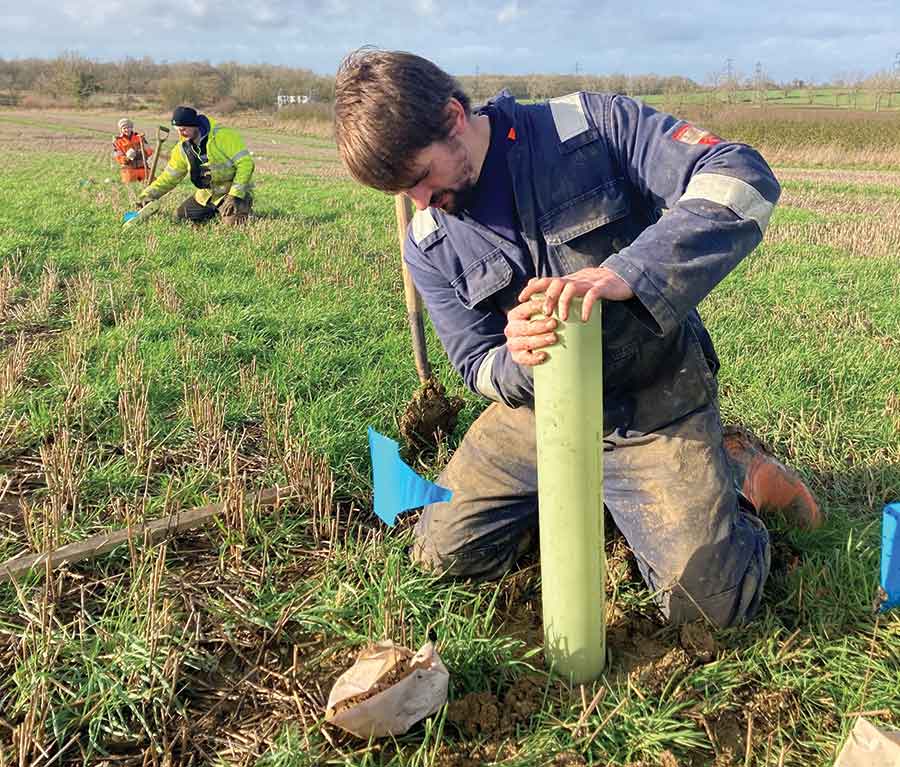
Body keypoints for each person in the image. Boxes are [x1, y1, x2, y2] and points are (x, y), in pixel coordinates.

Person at [334, 49, 824, 629]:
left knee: (707, 610)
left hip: (653, 406)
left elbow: (740, 176)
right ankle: (594, 499)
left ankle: (735, 472)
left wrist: (631, 272)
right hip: (537, 416)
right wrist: (515, 357)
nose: (419, 202)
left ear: (452, 117)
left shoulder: (591, 127)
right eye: (401, 191)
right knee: (438, 557)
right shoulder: (427, 239)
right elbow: (475, 363)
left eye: (419, 178)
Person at [138, 106, 254, 225]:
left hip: (231, 192)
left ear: (194, 125)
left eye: (183, 129)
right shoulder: (182, 148)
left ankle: (242, 207)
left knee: (233, 224)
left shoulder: (222, 136)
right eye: (177, 130)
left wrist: (234, 195)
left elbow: (245, 164)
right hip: (207, 195)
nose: (180, 134)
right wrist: (148, 194)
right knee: (180, 218)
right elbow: (169, 177)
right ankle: (215, 211)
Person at [112, 118, 153, 182]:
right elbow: (118, 158)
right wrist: (127, 157)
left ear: (132, 128)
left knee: (152, 183)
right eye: (124, 128)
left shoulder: (140, 137)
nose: (127, 130)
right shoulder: (117, 141)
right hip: (128, 169)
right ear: (121, 129)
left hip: (143, 167)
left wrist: (140, 153)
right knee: (130, 187)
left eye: (129, 127)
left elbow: (149, 151)